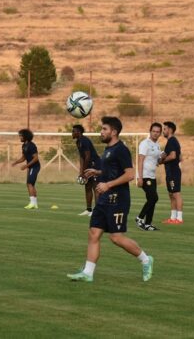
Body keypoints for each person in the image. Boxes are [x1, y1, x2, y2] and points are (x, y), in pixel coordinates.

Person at [67, 116, 154, 283]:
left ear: (114, 132)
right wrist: (97, 172)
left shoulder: (121, 149)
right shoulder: (108, 149)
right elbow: (112, 171)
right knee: (93, 233)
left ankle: (146, 259)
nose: (101, 132)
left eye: (104, 129)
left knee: (116, 237)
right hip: (104, 199)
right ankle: (88, 272)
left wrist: (107, 185)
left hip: (118, 199)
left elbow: (129, 174)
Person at [135, 122, 163, 231]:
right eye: (153, 131)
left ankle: (148, 224)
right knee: (154, 198)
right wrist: (140, 177)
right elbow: (140, 160)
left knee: (151, 199)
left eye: (158, 132)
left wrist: (163, 157)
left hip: (152, 176)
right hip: (145, 176)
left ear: (160, 133)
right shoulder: (145, 143)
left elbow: (157, 161)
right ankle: (139, 217)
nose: (155, 134)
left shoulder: (157, 145)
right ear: (150, 132)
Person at [72, 124, 101, 216]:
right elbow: (82, 157)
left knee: (95, 188)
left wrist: (84, 170)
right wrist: (81, 172)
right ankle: (89, 210)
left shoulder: (85, 140)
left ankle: (97, 211)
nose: (72, 133)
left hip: (94, 164)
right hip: (87, 165)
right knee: (87, 186)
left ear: (79, 132)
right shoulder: (78, 142)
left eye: (73, 131)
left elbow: (88, 156)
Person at [160, 121, 184, 224]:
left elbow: (173, 156)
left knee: (176, 194)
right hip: (170, 172)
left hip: (173, 172)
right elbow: (180, 157)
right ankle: (173, 217)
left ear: (169, 130)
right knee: (171, 194)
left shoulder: (172, 141)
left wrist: (162, 161)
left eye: (164, 129)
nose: (163, 131)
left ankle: (179, 218)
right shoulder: (171, 142)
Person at [12, 128, 40, 209]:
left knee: (29, 184)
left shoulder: (32, 145)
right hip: (30, 167)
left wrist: (26, 166)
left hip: (35, 166)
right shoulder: (24, 145)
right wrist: (16, 162)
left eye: (21, 136)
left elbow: (36, 158)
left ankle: (32, 203)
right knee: (31, 184)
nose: (20, 137)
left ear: (26, 136)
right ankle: (35, 204)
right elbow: (23, 158)